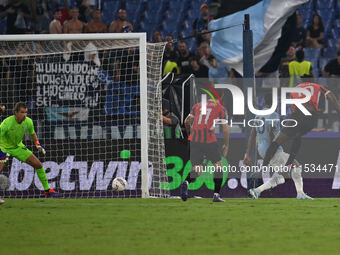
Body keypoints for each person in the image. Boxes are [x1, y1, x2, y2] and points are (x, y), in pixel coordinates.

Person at [260, 83, 340, 183]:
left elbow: (296, 110)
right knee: (297, 136)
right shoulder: (317, 86)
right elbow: (330, 96)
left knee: (277, 141)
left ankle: (263, 167)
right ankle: (287, 166)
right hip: (312, 118)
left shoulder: (296, 88)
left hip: (298, 115)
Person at [243, 94, 312, 200]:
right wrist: (273, 148)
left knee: (285, 176)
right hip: (272, 149)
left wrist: (247, 154)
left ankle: (256, 191)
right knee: (296, 165)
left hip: (261, 149)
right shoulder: (273, 114)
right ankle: (300, 194)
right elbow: (271, 132)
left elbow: (252, 135)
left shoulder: (257, 116)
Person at [0, 102, 59, 205]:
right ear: (16, 113)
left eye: (26, 112)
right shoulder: (6, 123)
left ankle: (47, 190)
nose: (25, 115)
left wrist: (37, 144)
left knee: (38, 164)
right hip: (3, 147)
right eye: (22, 112)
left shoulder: (28, 122)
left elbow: (32, 133)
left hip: (18, 147)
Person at [182, 89, 230, 202]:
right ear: (221, 96)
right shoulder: (220, 108)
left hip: (194, 141)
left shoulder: (197, 106)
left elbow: (186, 122)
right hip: (209, 140)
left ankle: (186, 182)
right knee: (218, 166)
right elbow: (225, 128)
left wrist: (190, 135)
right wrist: (226, 145)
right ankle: (216, 195)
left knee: (197, 170)